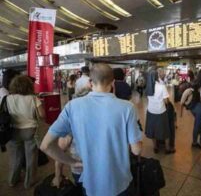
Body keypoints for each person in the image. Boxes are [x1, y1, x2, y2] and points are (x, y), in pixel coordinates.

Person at [40, 64, 143, 196]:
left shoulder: (72, 107)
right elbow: (136, 150)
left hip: (90, 183)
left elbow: (45, 145)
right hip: (120, 181)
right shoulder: (127, 108)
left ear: (90, 82)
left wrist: (72, 162)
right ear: (113, 83)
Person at [6, 75, 45, 189]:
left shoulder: (8, 98)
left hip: (13, 130)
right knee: (31, 157)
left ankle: (12, 180)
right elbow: (42, 115)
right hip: (30, 130)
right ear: (29, 85)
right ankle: (29, 182)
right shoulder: (33, 98)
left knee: (15, 157)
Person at [145, 69, 174, 154]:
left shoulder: (148, 87)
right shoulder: (161, 87)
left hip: (150, 111)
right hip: (161, 112)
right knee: (166, 131)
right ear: (156, 76)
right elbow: (166, 101)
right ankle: (167, 149)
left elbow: (148, 98)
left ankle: (155, 147)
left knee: (153, 130)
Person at [181, 69, 201, 149]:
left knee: (198, 124)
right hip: (199, 107)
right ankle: (194, 142)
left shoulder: (194, 82)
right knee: (197, 125)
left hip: (193, 107)